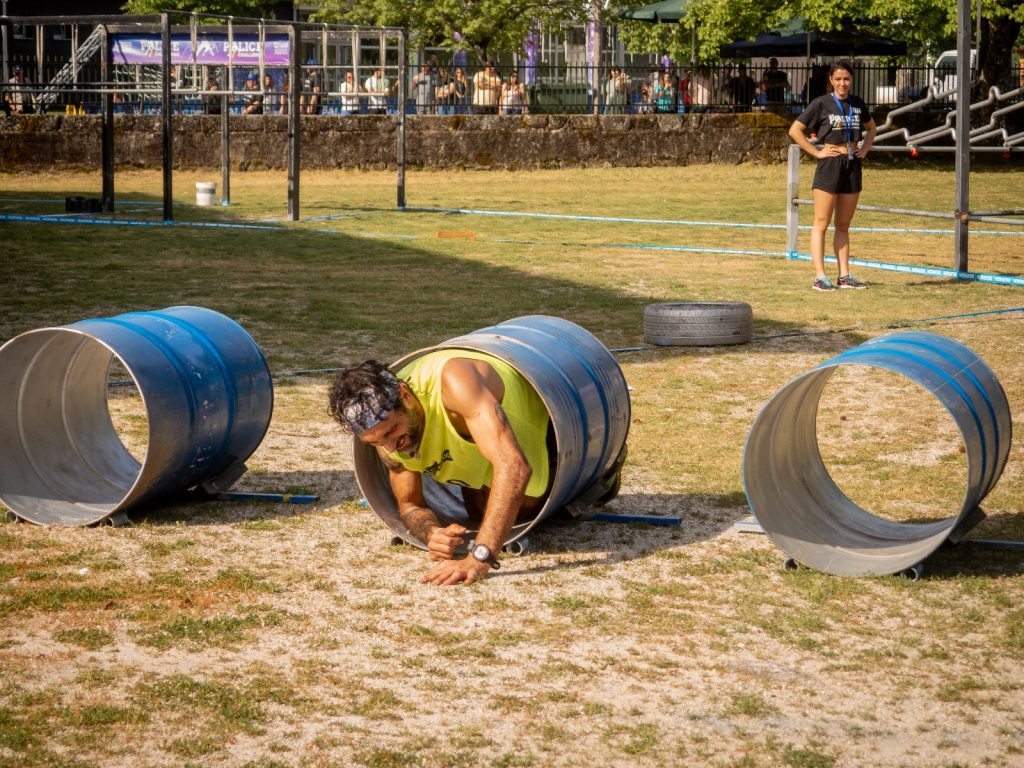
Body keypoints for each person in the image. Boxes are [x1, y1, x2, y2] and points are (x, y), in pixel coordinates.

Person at [328, 356, 553, 586]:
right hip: (473, 456)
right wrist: (433, 534)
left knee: (524, 508)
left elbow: (514, 466)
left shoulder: (454, 382)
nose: (390, 447)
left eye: (391, 431)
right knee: (477, 512)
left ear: (405, 395)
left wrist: (480, 557)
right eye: (374, 442)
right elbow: (409, 505)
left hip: (539, 417)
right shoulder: (383, 436)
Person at [788, 61, 877, 292]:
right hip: (829, 166)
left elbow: (872, 128)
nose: (842, 83)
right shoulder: (821, 103)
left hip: (852, 166)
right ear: (830, 80)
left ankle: (844, 276)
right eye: (838, 79)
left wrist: (864, 150)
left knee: (844, 225)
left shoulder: (857, 103)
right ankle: (820, 277)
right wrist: (817, 152)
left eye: (846, 79)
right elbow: (795, 130)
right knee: (821, 223)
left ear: (852, 80)